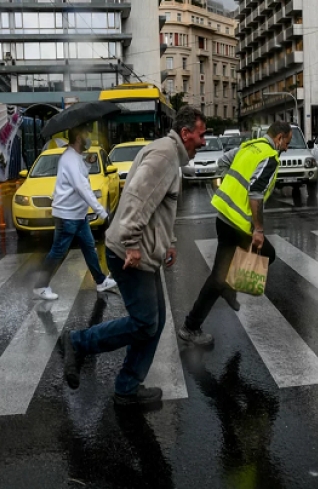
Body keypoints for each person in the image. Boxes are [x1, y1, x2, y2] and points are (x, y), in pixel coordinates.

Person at [58, 106, 206, 407]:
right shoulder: (165, 155)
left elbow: (162, 207)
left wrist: (171, 241)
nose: (203, 142)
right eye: (201, 135)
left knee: (155, 321)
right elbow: (137, 199)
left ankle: (127, 385)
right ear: (186, 133)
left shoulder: (168, 154)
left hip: (145, 254)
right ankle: (78, 343)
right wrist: (133, 244)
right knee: (144, 323)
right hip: (129, 254)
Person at [179, 121, 293, 348]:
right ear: (279, 138)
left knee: (223, 274)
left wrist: (224, 187)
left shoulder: (250, 145)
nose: (287, 147)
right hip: (239, 224)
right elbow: (256, 193)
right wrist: (258, 229)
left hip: (224, 216)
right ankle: (192, 325)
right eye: (287, 142)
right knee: (265, 255)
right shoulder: (269, 156)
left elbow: (223, 162)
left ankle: (225, 290)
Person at [32, 125, 117, 300]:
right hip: (67, 216)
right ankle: (40, 286)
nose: (88, 138)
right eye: (86, 134)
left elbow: (80, 176)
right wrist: (102, 213)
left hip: (78, 215)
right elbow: (82, 187)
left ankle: (101, 281)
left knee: (89, 247)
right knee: (57, 252)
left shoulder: (76, 157)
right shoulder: (70, 158)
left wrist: (87, 163)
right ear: (78, 137)